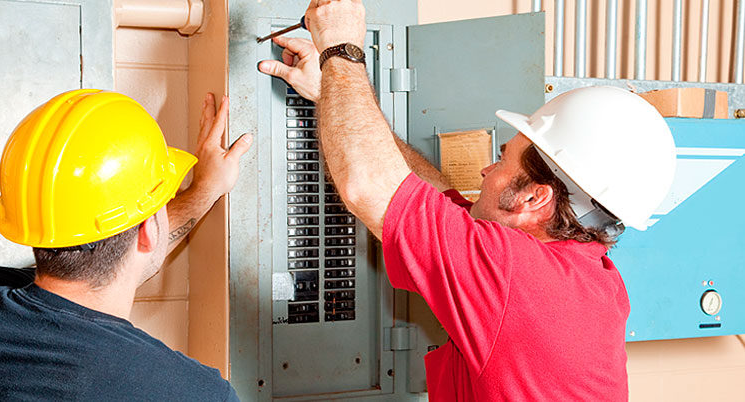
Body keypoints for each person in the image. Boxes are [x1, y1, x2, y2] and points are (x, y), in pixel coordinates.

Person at [259, 1, 676, 400]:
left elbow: (368, 184)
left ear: (535, 196)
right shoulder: (586, 274)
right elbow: (433, 198)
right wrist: (332, 92)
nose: (486, 172)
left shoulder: (512, 276)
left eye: (502, 161)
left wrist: (340, 48)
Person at [0, 89, 252, 401]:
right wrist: (205, 190)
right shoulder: (195, 393)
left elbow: (90, 267)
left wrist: (200, 193)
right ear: (147, 231)